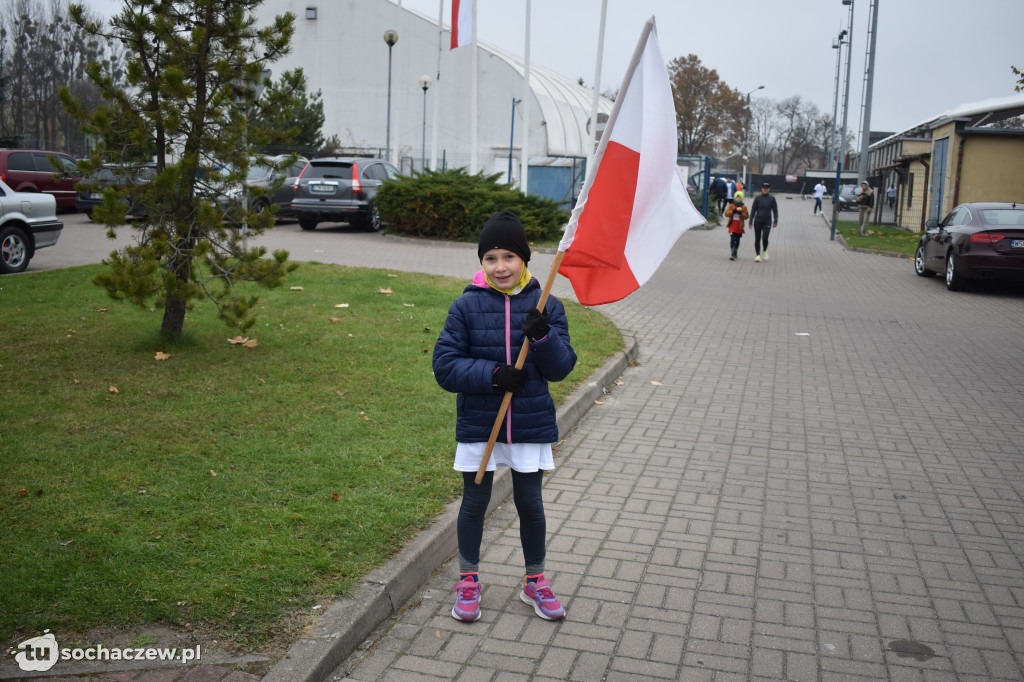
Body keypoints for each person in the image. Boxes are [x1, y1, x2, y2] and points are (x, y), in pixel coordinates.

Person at [432, 210, 577, 623]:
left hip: (529, 424)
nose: (500, 267)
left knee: (530, 503)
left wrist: (543, 337)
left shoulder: (547, 304)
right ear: (482, 262)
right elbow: (445, 366)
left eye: (509, 256)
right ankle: (468, 581)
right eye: (491, 257)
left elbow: (561, 368)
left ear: (524, 259)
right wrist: (495, 376)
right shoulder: (466, 306)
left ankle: (535, 582)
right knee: (474, 502)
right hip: (481, 422)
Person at [748, 182, 779, 262]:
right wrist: (750, 221)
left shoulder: (772, 199)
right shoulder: (758, 198)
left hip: (767, 221)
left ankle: (764, 250)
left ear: (769, 189)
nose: (765, 190)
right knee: (757, 238)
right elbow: (753, 210)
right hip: (758, 221)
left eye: (767, 188)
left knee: (765, 237)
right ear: (762, 189)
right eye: (764, 188)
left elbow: (775, 210)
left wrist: (775, 220)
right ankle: (757, 255)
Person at [724, 190, 749, 260]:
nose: (738, 199)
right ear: (735, 198)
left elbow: (746, 216)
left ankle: (735, 252)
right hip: (732, 224)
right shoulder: (731, 205)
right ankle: (732, 252)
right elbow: (726, 214)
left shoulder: (744, 207)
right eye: (737, 197)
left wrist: (741, 213)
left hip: (739, 226)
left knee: (737, 239)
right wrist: (733, 212)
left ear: (742, 198)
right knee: (732, 239)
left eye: (740, 198)